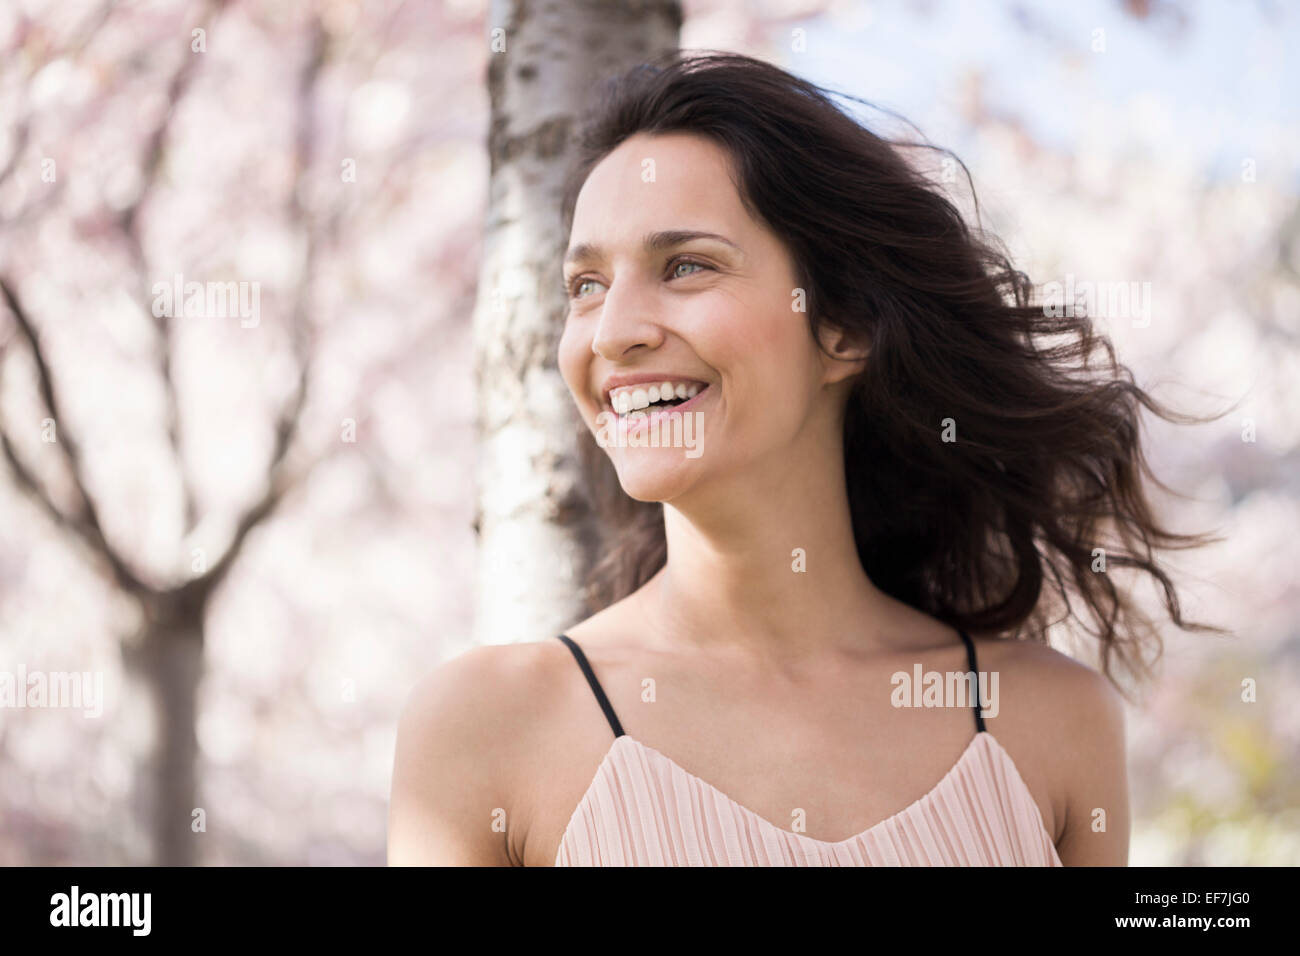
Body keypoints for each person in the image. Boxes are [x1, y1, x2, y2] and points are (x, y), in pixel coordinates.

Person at [388, 51, 1219, 866]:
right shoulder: (485, 728)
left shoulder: (1049, 721)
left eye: (685, 267)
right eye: (587, 286)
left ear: (845, 328)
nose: (614, 333)